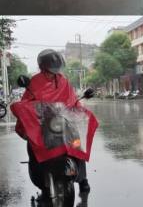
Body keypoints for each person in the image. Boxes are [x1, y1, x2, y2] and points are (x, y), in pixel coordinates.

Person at [16, 50, 91, 194]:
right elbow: (26, 103)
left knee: (76, 144)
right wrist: (29, 112)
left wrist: (77, 110)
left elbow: (72, 99)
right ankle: (40, 177)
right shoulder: (34, 83)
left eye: (56, 71)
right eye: (50, 71)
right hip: (43, 124)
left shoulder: (63, 81)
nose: (54, 74)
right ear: (42, 68)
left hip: (62, 121)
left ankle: (83, 179)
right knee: (33, 146)